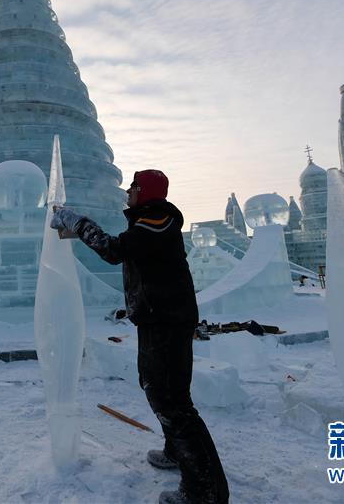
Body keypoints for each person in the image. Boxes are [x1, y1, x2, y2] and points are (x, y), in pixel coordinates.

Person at [51, 170, 229, 504]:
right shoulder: (152, 221)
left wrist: (78, 222)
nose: (127, 193)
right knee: (158, 388)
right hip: (158, 318)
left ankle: (204, 490)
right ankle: (177, 453)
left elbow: (114, 249)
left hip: (166, 321)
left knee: (171, 401)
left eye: (133, 188)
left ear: (145, 192)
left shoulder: (157, 221)